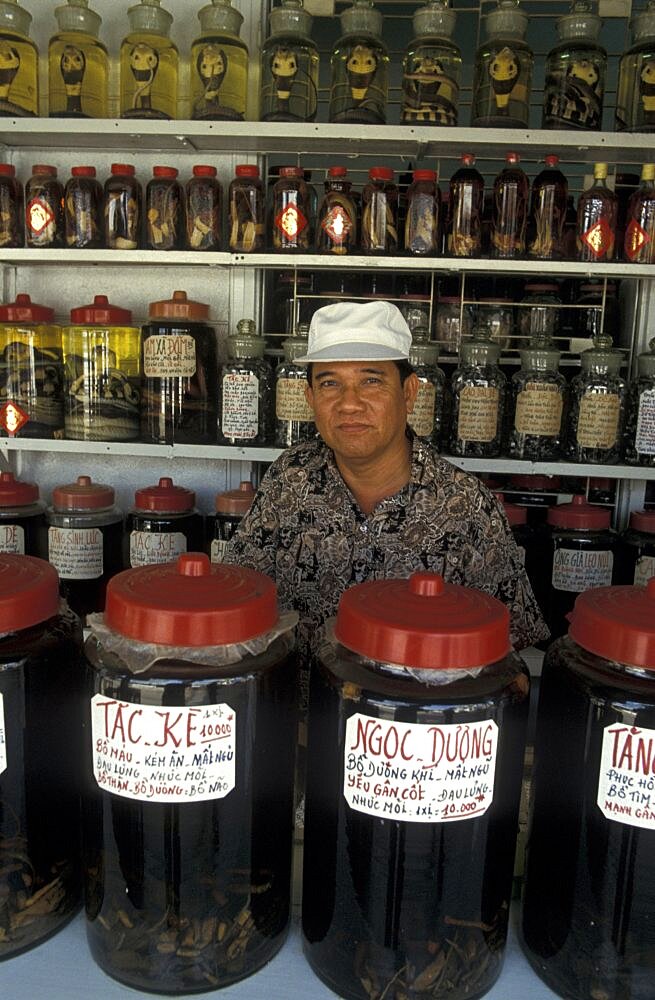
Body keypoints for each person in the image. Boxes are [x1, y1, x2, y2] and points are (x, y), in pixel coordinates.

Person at [225, 299, 549, 673]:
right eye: (330, 383)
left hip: (412, 724)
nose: (349, 404)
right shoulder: (288, 479)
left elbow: (506, 647)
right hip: (300, 720)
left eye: (371, 381)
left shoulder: (466, 506)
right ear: (310, 398)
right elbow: (240, 594)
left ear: (409, 392)